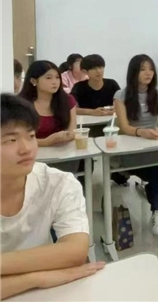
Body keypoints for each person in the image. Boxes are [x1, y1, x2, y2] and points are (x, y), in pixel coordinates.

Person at [0, 94, 104, 299]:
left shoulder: (58, 183)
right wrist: (36, 278)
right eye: (11, 140)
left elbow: (75, 251)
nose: (26, 149)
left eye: (31, 136)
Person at [114, 55, 158, 234]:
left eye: (151, 69)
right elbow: (124, 127)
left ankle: (157, 210)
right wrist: (141, 132)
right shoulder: (121, 95)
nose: (148, 73)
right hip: (131, 147)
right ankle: (156, 205)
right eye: (143, 69)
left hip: (153, 144)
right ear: (134, 72)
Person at [19, 61, 76, 147]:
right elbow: (18, 139)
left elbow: (72, 131)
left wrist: (68, 136)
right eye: (48, 78)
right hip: (32, 151)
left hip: (63, 150)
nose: (55, 82)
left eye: (57, 77)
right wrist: (46, 142)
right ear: (34, 81)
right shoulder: (21, 105)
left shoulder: (67, 100)